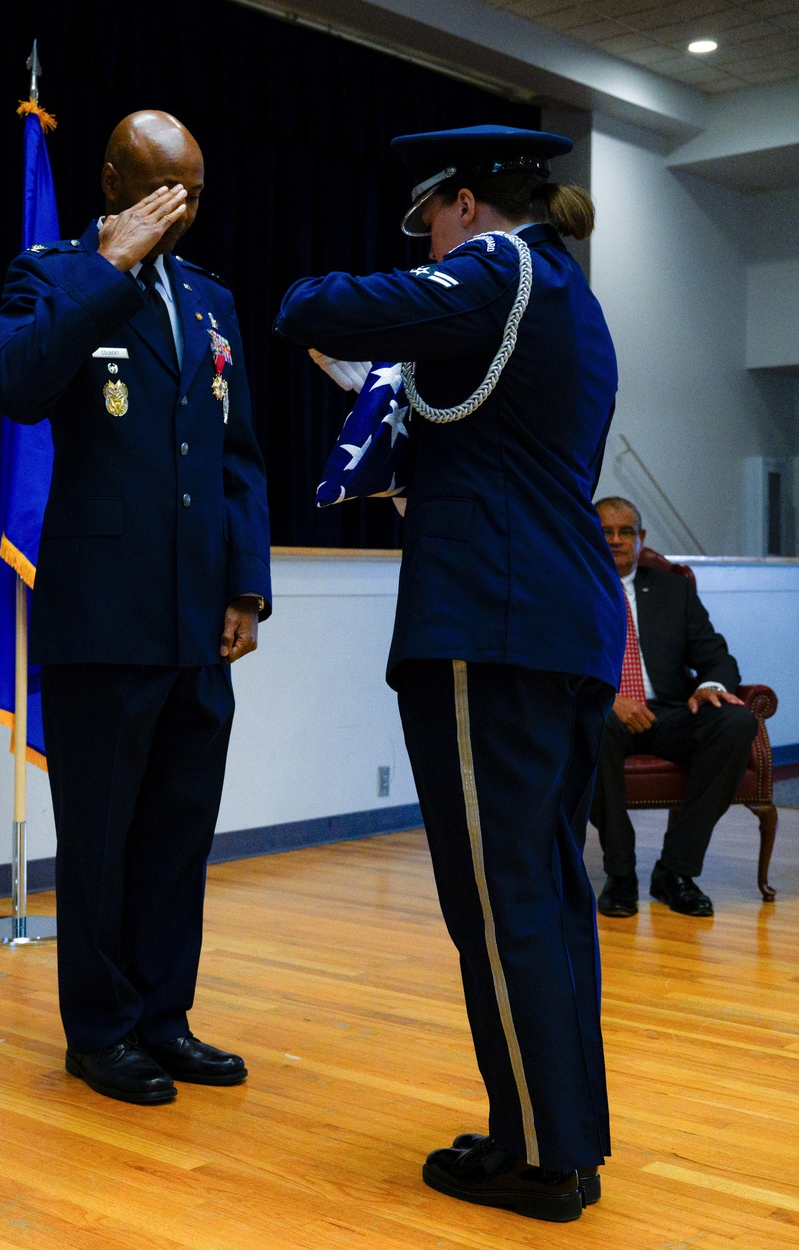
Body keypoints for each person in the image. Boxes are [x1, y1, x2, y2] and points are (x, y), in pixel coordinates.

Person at [275, 125, 624, 1223]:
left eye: (426, 216)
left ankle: (534, 1158)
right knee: (548, 892)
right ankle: (562, 1129)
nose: (422, 236)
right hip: (554, 617)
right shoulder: (566, 295)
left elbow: (308, 305)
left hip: (492, 618)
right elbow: (471, 426)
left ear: (465, 202)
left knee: (499, 897)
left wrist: (388, 317)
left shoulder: (494, 269)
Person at [0, 111, 271, 1105]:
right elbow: (17, 386)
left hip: (199, 618)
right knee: (104, 838)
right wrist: (108, 269)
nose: (179, 209)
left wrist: (247, 587)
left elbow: (236, 458)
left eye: (193, 190)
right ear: (112, 179)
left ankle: (163, 1015)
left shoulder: (210, 302)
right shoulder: (51, 273)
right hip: (102, 616)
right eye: (160, 187)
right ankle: (100, 1030)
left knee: (178, 832)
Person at [591, 497, 756, 919]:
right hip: (602, 714)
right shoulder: (569, 591)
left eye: (625, 531)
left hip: (667, 712)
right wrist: (608, 701)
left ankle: (675, 871)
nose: (615, 540)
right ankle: (621, 874)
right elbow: (548, 666)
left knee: (735, 720)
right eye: (605, 531)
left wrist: (710, 686)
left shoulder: (672, 589)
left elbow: (717, 656)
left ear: (641, 538)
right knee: (592, 727)